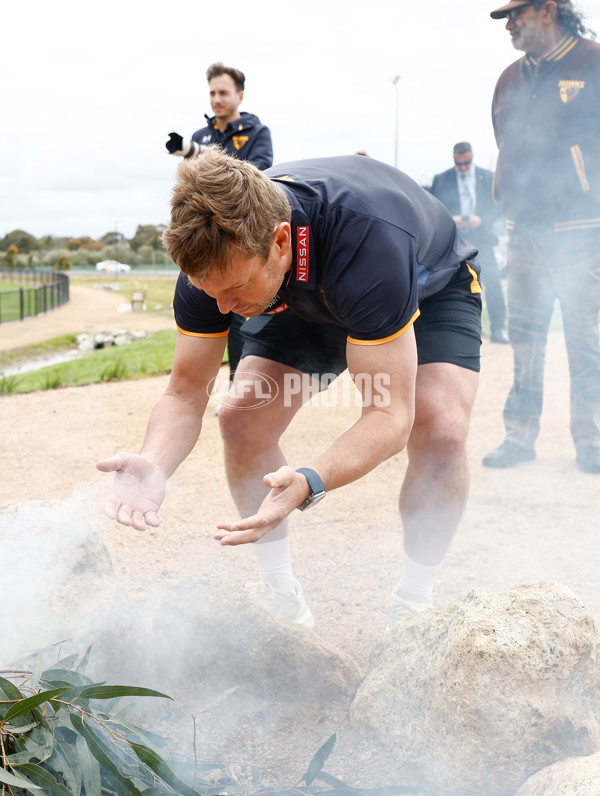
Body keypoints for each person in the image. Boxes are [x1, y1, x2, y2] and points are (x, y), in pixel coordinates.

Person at [97, 149, 482, 630]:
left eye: (232, 290)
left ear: (280, 241)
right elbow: (186, 390)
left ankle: (415, 602)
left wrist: (310, 478)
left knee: (440, 428)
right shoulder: (216, 264)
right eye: (209, 291)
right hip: (294, 293)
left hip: (427, 283)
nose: (225, 308)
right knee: (241, 419)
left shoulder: (366, 243)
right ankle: (278, 593)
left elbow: (389, 416)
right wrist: (155, 462)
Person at [483, 0, 600, 474]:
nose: (509, 25)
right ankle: (519, 435)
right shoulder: (508, 78)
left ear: (548, 11)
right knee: (526, 334)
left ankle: (592, 441)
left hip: (582, 227)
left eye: (517, 15)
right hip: (524, 227)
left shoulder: (593, 63)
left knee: (586, 335)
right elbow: (502, 140)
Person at [165, 62, 274, 379]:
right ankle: (200, 387)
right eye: (212, 93)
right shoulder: (200, 135)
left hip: (242, 236)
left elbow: (260, 175)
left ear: (239, 95)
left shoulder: (257, 133)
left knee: (242, 318)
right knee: (204, 313)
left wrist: (209, 157)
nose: (216, 99)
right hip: (206, 237)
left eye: (223, 92)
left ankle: (239, 388)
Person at [431, 142, 508, 343]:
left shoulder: (488, 177)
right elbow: (433, 208)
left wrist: (481, 219)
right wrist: (451, 219)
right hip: (455, 241)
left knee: (493, 284)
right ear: (454, 159)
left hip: (483, 238)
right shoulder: (441, 180)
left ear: (472, 157)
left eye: (467, 163)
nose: (463, 167)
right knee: (456, 287)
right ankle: (462, 332)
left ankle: (499, 329)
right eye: (459, 164)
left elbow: (498, 207)